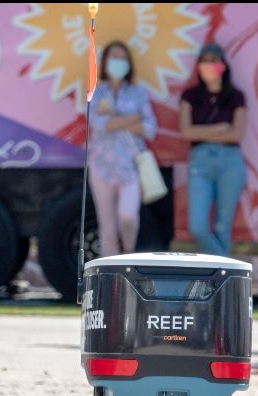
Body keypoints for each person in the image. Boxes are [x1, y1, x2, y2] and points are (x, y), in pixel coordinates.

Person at [88, 41, 157, 257]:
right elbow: (98, 123)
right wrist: (131, 118)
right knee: (107, 229)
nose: (118, 62)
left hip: (130, 166)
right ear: (105, 61)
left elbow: (149, 128)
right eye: (113, 57)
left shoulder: (137, 92)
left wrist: (115, 119)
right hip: (101, 167)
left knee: (128, 215)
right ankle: (109, 278)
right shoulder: (96, 92)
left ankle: (128, 252)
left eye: (122, 58)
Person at [180, 43, 247, 256]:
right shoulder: (190, 96)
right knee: (198, 227)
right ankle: (228, 268)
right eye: (204, 61)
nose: (208, 65)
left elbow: (236, 134)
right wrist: (219, 128)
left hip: (230, 162)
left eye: (213, 60)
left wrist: (202, 132)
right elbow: (187, 132)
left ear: (223, 65)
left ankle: (220, 285)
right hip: (200, 162)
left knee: (222, 228)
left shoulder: (236, 96)